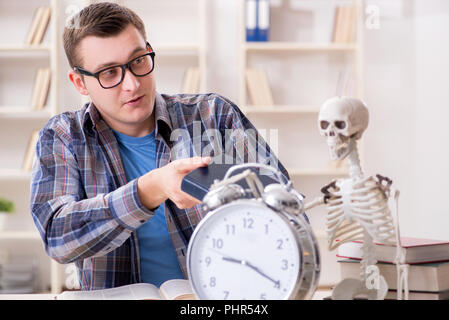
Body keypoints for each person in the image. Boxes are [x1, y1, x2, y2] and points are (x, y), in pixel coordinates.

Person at [30, 2, 288, 290]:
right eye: (109, 73)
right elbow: (57, 236)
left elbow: (283, 202)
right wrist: (149, 190)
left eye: (138, 60)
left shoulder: (214, 115)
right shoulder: (63, 136)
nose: (131, 84)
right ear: (79, 82)